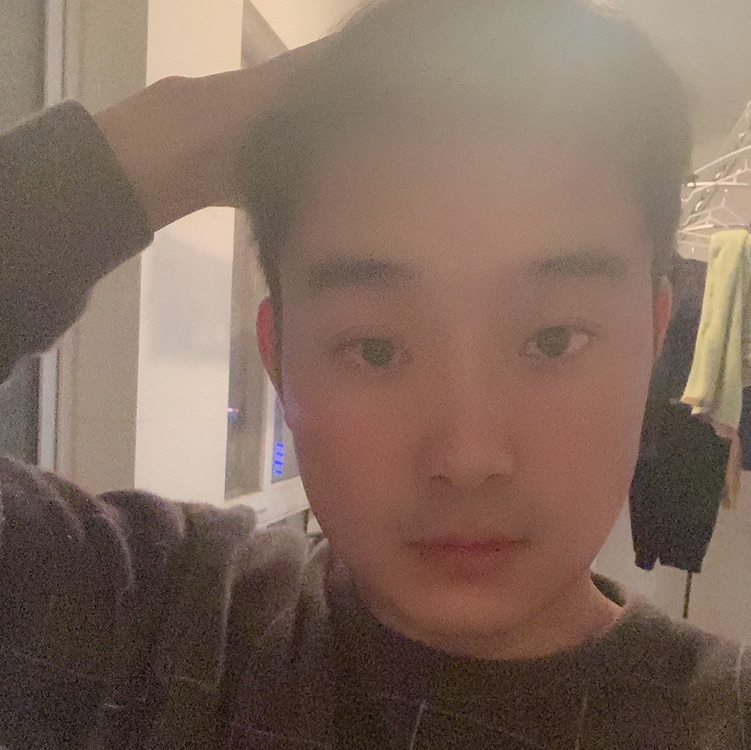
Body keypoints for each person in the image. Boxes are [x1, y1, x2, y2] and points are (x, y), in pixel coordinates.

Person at [1, 0, 749, 748]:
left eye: (554, 340)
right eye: (377, 350)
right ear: (278, 358)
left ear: (655, 336)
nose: (467, 458)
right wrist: (168, 134)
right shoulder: (143, 625)